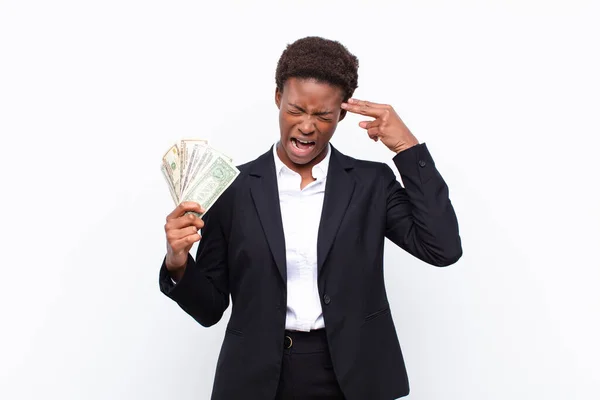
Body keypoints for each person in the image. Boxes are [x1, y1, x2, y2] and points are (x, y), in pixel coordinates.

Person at [159, 36, 462, 400]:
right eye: (295, 110)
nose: (307, 126)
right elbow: (209, 309)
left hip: (354, 377)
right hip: (257, 379)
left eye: (323, 116)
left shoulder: (370, 184)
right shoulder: (233, 190)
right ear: (277, 99)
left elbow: (442, 248)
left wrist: (407, 149)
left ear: (342, 115)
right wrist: (178, 263)